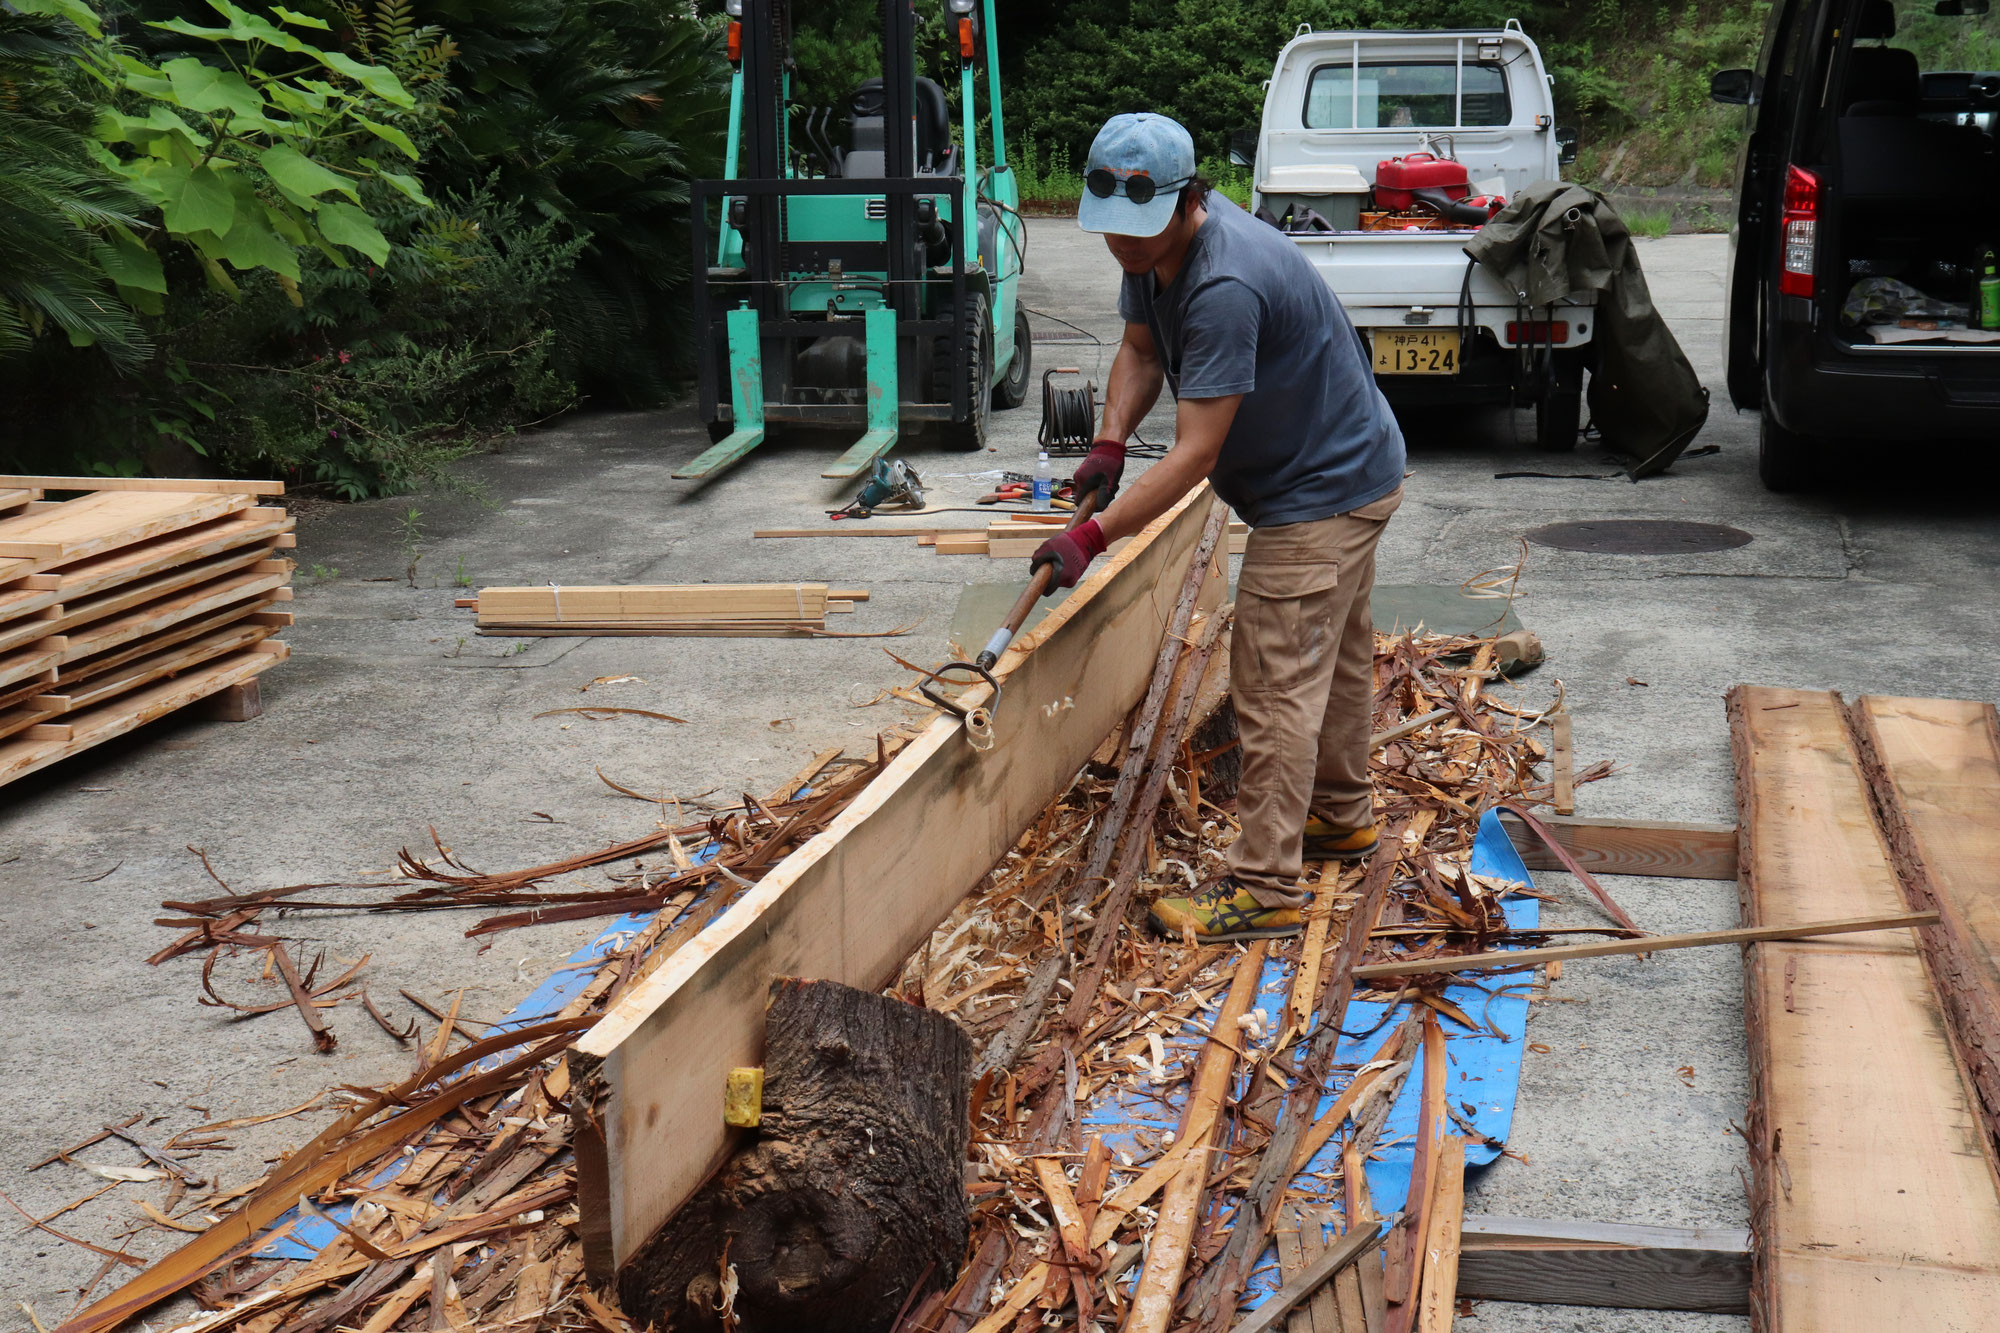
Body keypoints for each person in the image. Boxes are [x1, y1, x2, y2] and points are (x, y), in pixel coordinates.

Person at [1030, 112, 1406, 943]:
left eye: (1139, 230)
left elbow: (1199, 453)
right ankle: (1339, 817)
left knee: (1273, 681)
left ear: (1187, 199)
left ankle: (1266, 886)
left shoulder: (1224, 284)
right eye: (1112, 233)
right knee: (1335, 655)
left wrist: (1092, 539)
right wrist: (1108, 441)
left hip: (1323, 489)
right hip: (1353, 464)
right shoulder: (1152, 244)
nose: (1123, 246)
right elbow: (1138, 347)